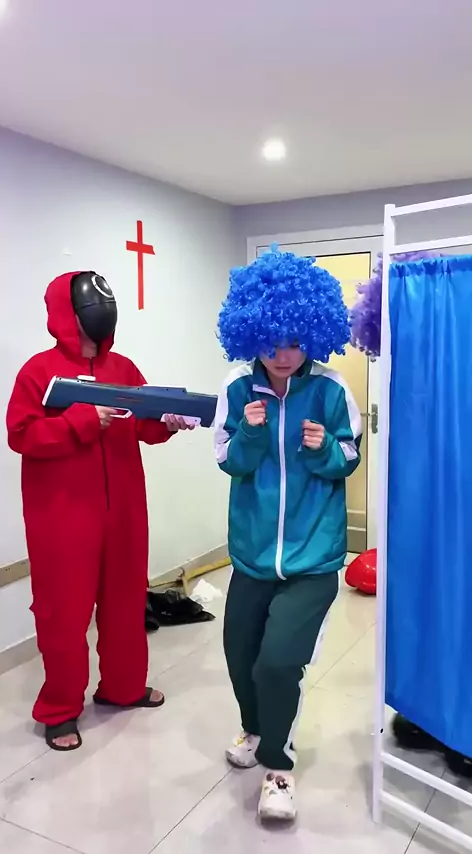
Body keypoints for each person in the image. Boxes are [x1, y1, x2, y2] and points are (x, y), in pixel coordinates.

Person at [6, 271, 193, 751]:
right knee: (64, 614)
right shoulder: (38, 371)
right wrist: (80, 422)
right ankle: (60, 709)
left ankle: (123, 688)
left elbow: (144, 425)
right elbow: (21, 435)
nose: (100, 320)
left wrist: (168, 422)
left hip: (124, 511)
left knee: (126, 603)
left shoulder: (123, 368)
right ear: (67, 316)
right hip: (62, 518)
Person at [214, 247, 362, 821]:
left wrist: (323, 449)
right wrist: (251, 436)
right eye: (272, 342)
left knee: (277, 662)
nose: (283, 355)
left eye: (296, 342)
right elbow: (228, 460)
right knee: (240, 655)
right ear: (251, 332)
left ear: (314, 335)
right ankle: (255, 729)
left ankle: (278, 768)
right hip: (252, 554)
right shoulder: (236, 388)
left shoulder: (331, 389)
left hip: (313, 558)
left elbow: (349, 458)